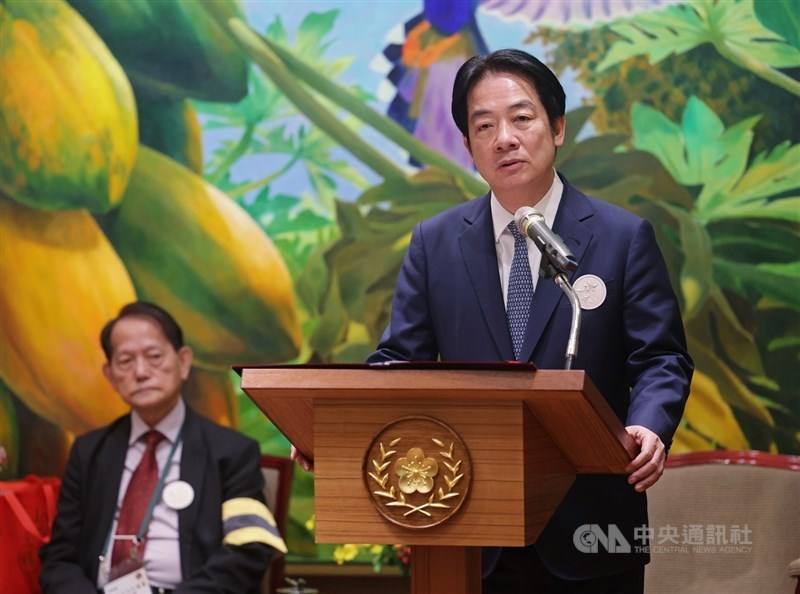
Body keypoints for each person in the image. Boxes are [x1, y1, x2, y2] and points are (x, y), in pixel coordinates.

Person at [367, 49, 693, 593]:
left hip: (591, 524)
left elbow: (661, 357)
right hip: (467, 520)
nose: (504, 138)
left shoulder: (621, 237)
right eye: (484, 126)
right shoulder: (435, 243)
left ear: (557, 127)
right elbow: (400, 361)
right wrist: (334, 422)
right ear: (469, 146)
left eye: (522, 118)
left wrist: (649, 425)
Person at [40, 301, 286, 594]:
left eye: (154, 356)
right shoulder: (89, 453)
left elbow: (247, 551)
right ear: (110, 376)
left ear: (183, 362)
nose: (141, 372)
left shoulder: (232, 453)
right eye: (126, 361)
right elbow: (59, 559)